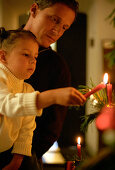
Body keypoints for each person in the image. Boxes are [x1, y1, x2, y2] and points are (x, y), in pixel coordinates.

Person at [0, 27, 86, 170]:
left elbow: (26, 129)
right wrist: (52, 96)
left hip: (7, 155)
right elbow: (6, 104)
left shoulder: (28, 89)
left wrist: (17, 159)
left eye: (35, 57)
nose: (33, 61)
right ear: (3, 57)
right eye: (26, 55)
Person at [24, 0, 80, 164]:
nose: (57, 31)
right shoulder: (4, 42)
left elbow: (52, 128)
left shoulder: (58, 67)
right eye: (54, 19)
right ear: (34, 9)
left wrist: (24, 157)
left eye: (64, 27)